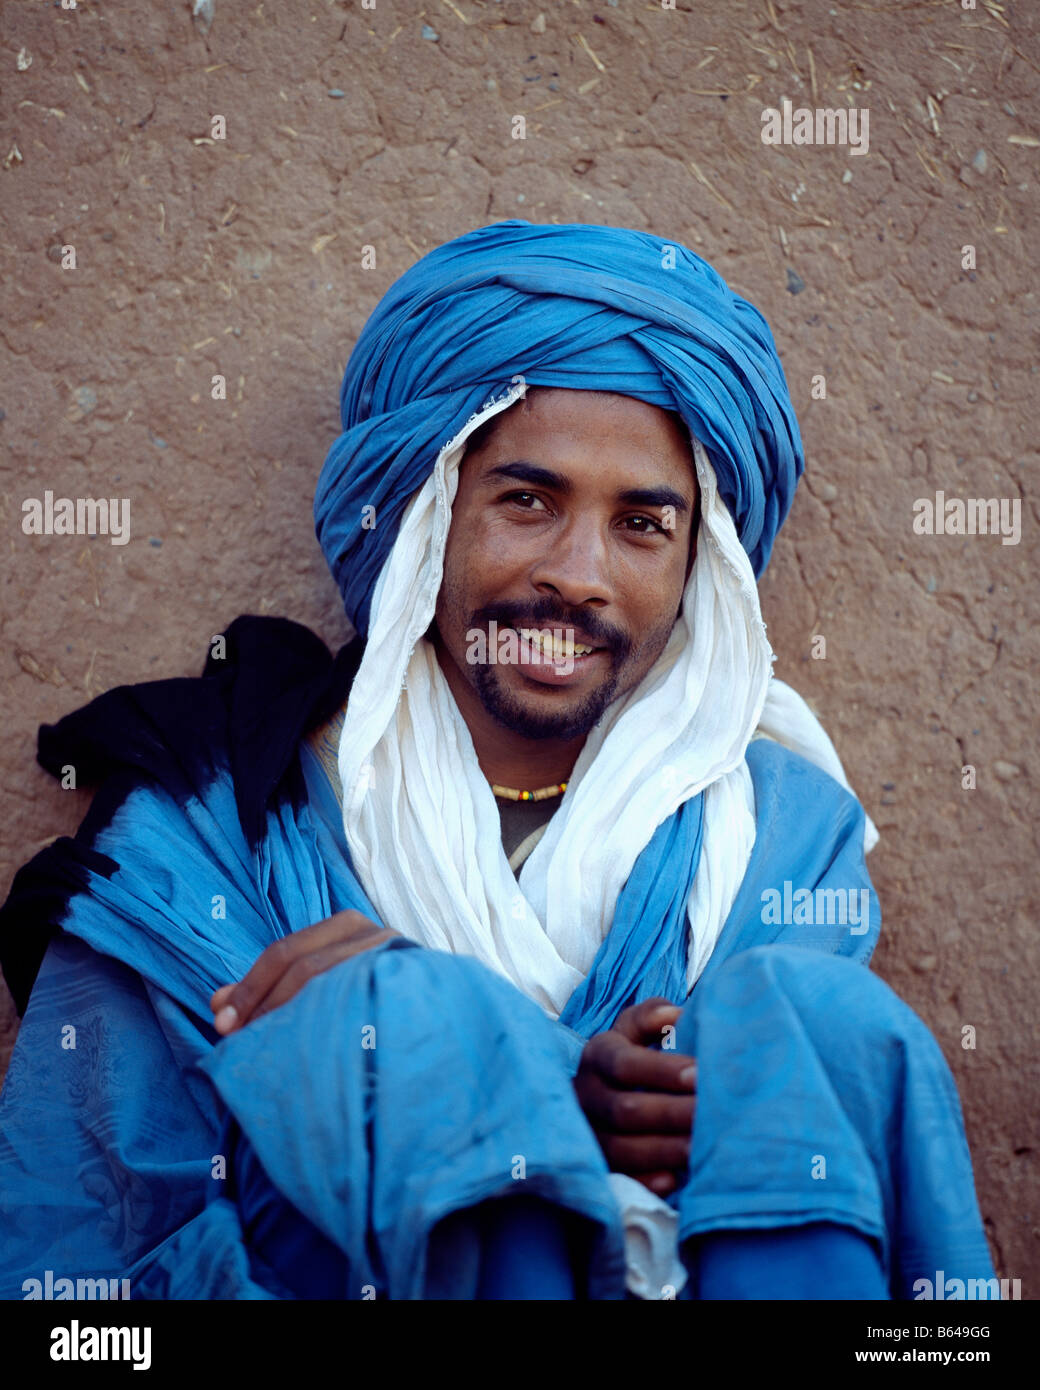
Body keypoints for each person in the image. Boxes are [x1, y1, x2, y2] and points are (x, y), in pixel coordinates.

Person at [0, 220, 996, 1300]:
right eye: (526, 501)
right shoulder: (217, 831)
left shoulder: (780, 841)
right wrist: (377, 1069)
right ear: (429, 516)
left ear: (693, 570)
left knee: (823, 1026)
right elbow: (78, 1294)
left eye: (641, 525)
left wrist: (559, 1097)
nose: (577, 572)